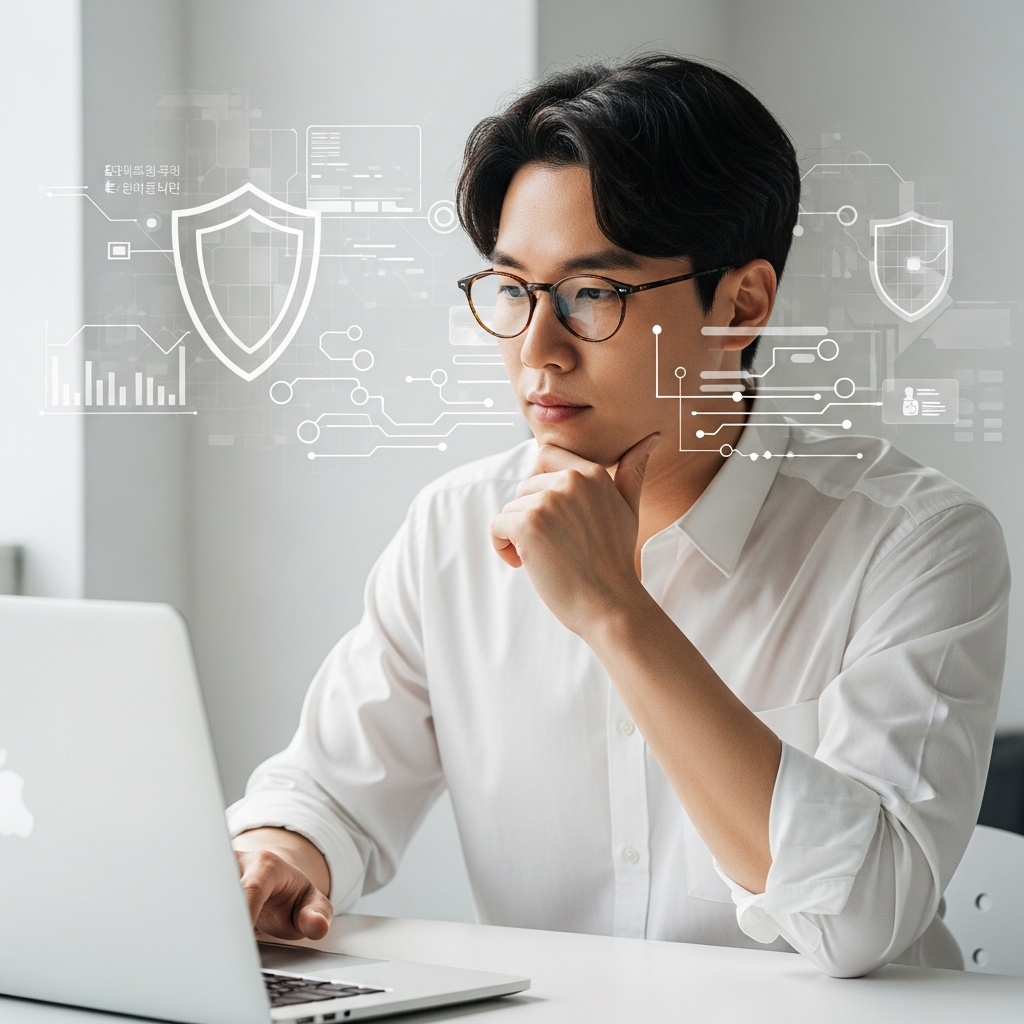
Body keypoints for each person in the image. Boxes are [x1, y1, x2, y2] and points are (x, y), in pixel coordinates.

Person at [228, 55, 1009, 978]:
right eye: (513, 289)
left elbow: (864, 917)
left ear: (742, 303)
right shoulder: (454, 527)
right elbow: (329, 790)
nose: (537, 352)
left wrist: (616, 612)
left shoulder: (914, 543)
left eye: (592, 294)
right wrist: (280, 853)